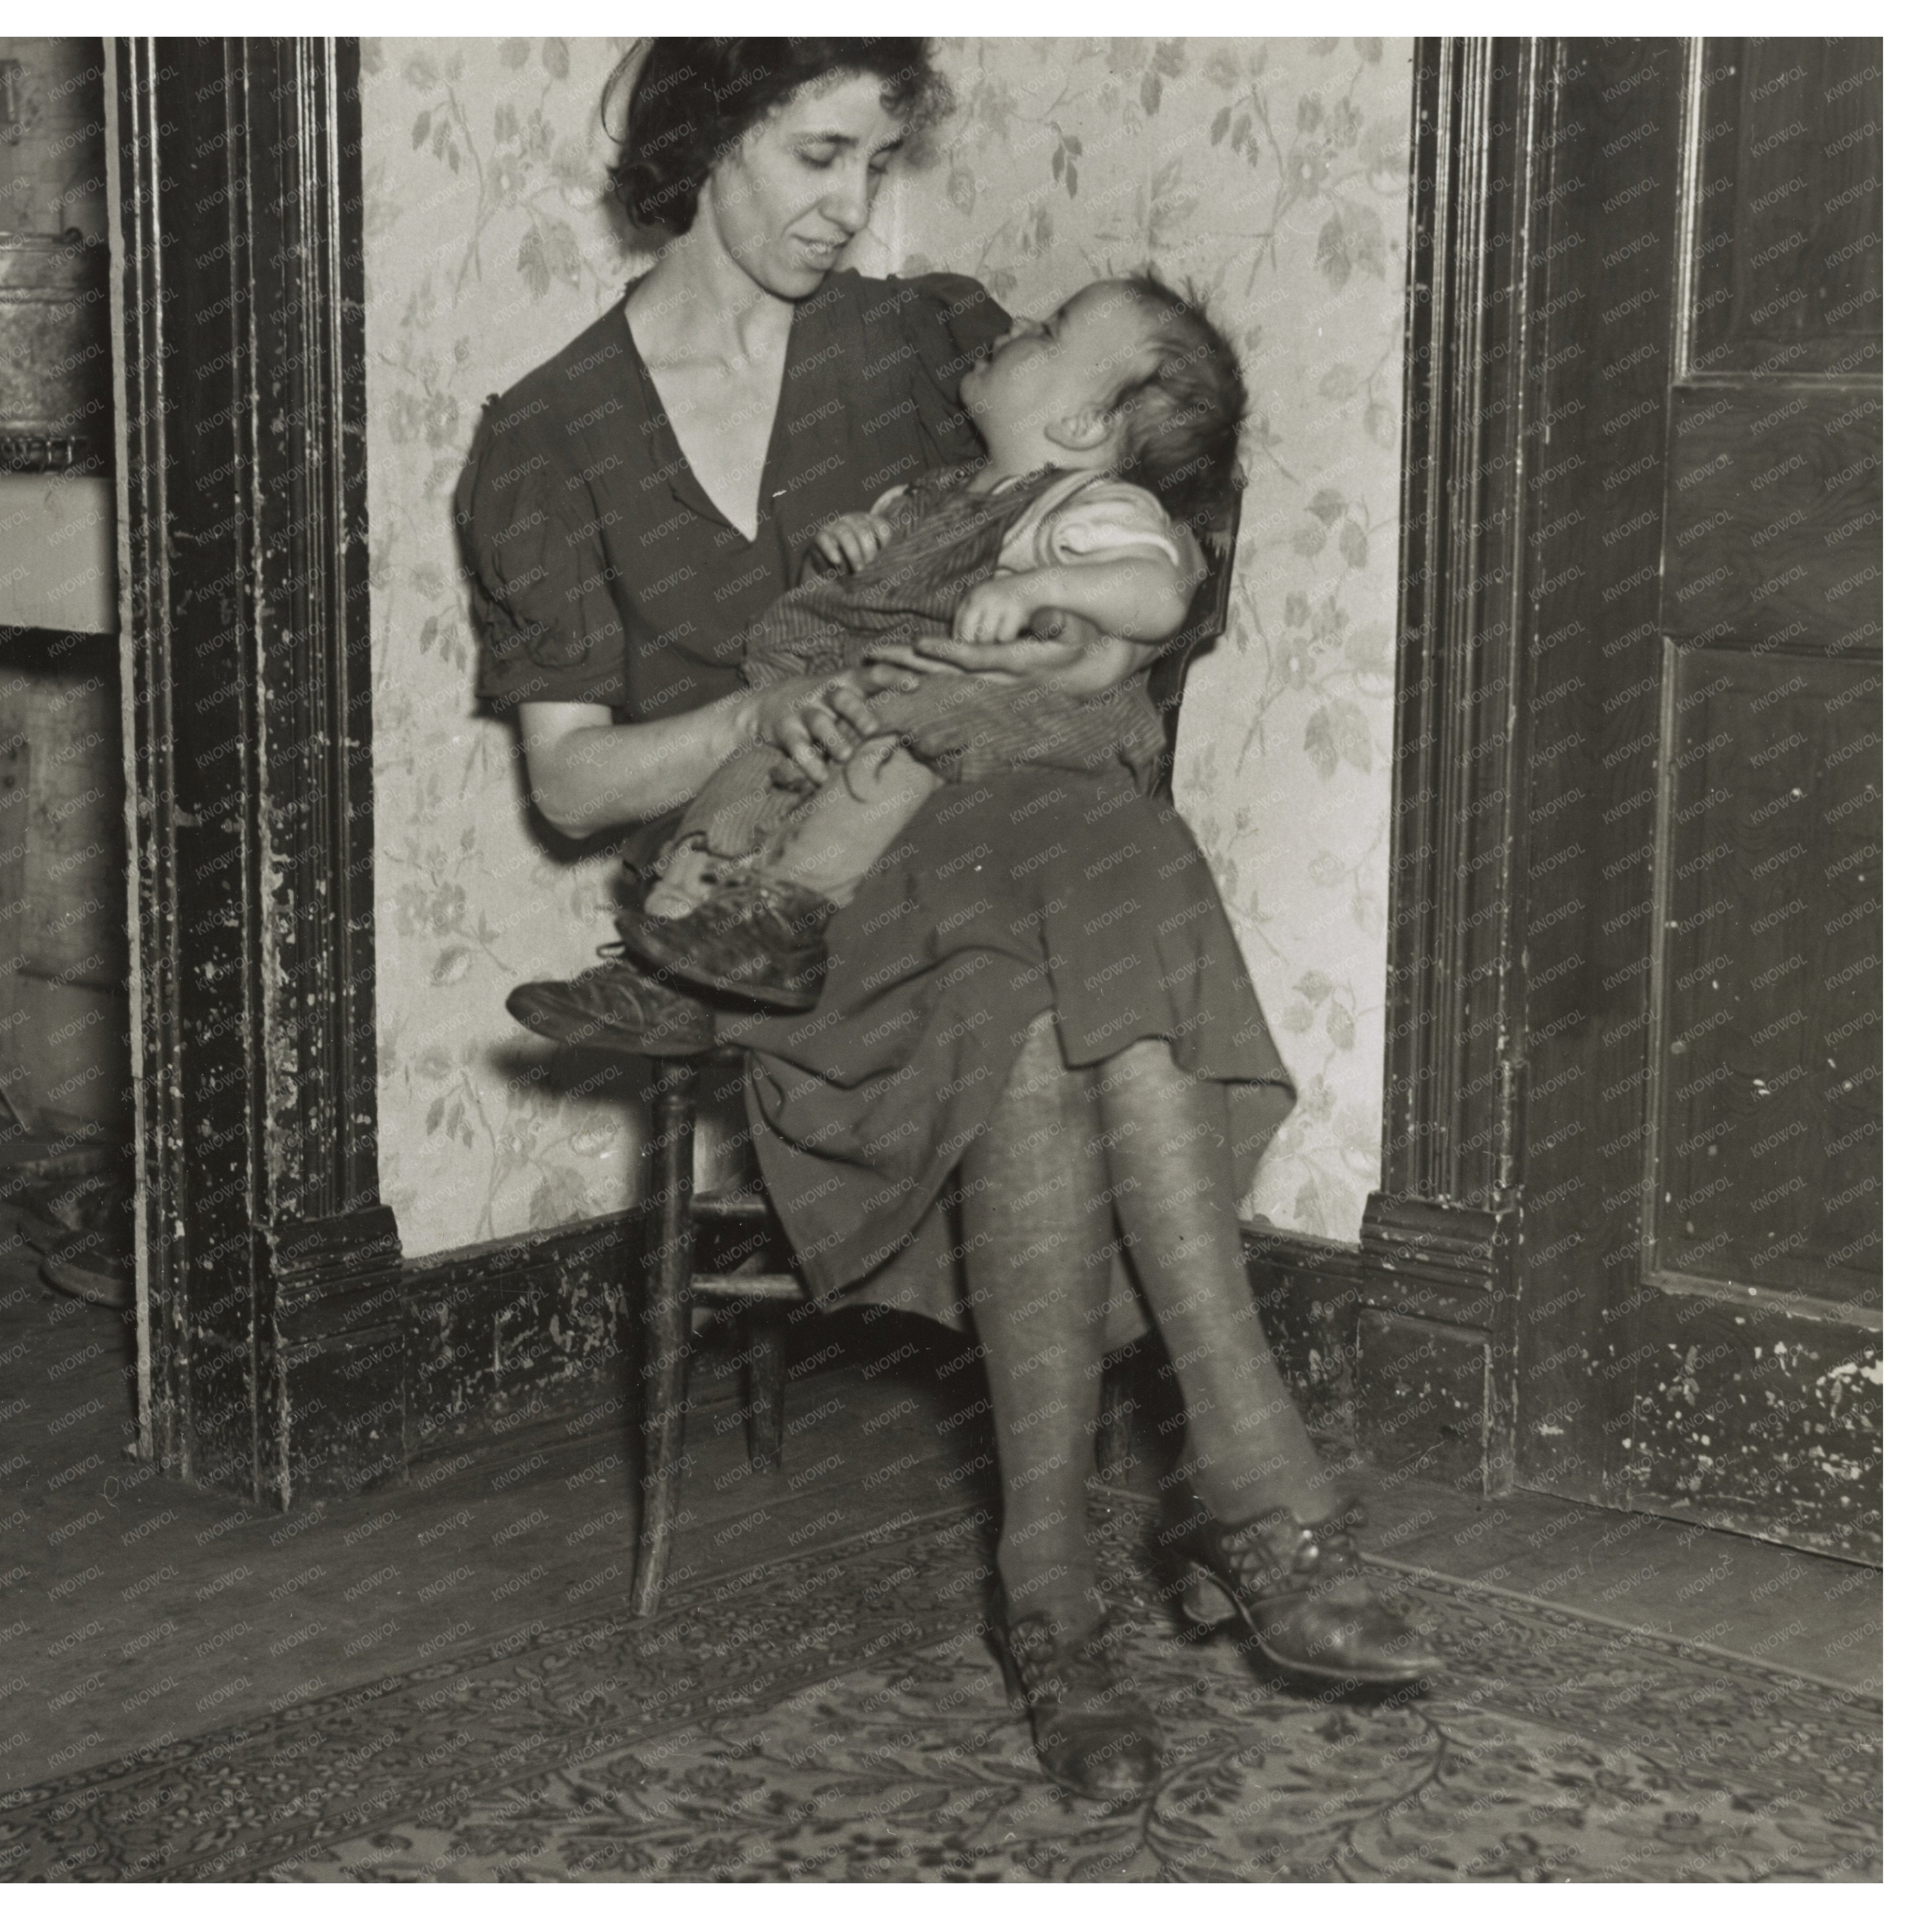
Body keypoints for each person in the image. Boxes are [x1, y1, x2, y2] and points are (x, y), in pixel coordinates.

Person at [458, 38, 1436, 1807]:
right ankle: (1250, 1496)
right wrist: (796, 705)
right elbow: (583, 787)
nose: (855, 211)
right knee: (1068, 953)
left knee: (1069, 904)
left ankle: (1050, 1593)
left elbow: (1138, 519)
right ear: (701, 141)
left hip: (1023, 825)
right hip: (789, 908)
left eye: (878, 164)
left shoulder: (929, 342)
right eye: (821, 157)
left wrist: (1100, 641)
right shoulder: (552, 435)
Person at [510, 270, 1233, 1025]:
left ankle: (791, 913)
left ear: (1086, 426)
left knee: (887, 755)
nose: (1018, 322)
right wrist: (846, 551)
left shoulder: (1090, 506)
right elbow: (861, 603)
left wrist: (1036, 590)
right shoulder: (933, 495)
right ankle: (672, 949)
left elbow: (1158, 594)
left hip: (987, 722)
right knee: (755, 763)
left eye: (1050, 330)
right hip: (876, 689)